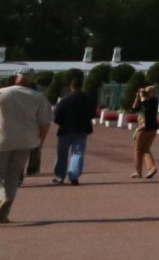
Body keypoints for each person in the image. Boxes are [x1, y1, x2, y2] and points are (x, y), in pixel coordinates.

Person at [0, 72, 54, 223]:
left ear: (17, 78)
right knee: (13, 176)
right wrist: (40, 143)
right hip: (26, 141)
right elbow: (45, 124)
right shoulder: (39, 97)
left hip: (2, 139)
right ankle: (4, 212)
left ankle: (1, 197)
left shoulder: (3, 93)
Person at [50, 75, 94, 185]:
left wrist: (61, 123)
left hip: (65, 130)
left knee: (62, 153)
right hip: (82, 130)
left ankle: (59, 176)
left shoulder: (65, 100)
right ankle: (74, 176)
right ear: (81, 86)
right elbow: (92, 114)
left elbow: (56, 116)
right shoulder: (88, 100)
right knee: (78, 153)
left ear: (71, 87)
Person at [131, 84, 159, 180]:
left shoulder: (153, 101)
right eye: (146, 91)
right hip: (149, 128)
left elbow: (146, 105)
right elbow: (134, 108)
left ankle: (138, 171)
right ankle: (151, 168)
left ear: (153, 93)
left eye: (149, 91)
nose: (146, 93)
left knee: (138, 149)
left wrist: (142, 96)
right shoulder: (145, 102)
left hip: (145, 128)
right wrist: (137, 97)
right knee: (145, 149)